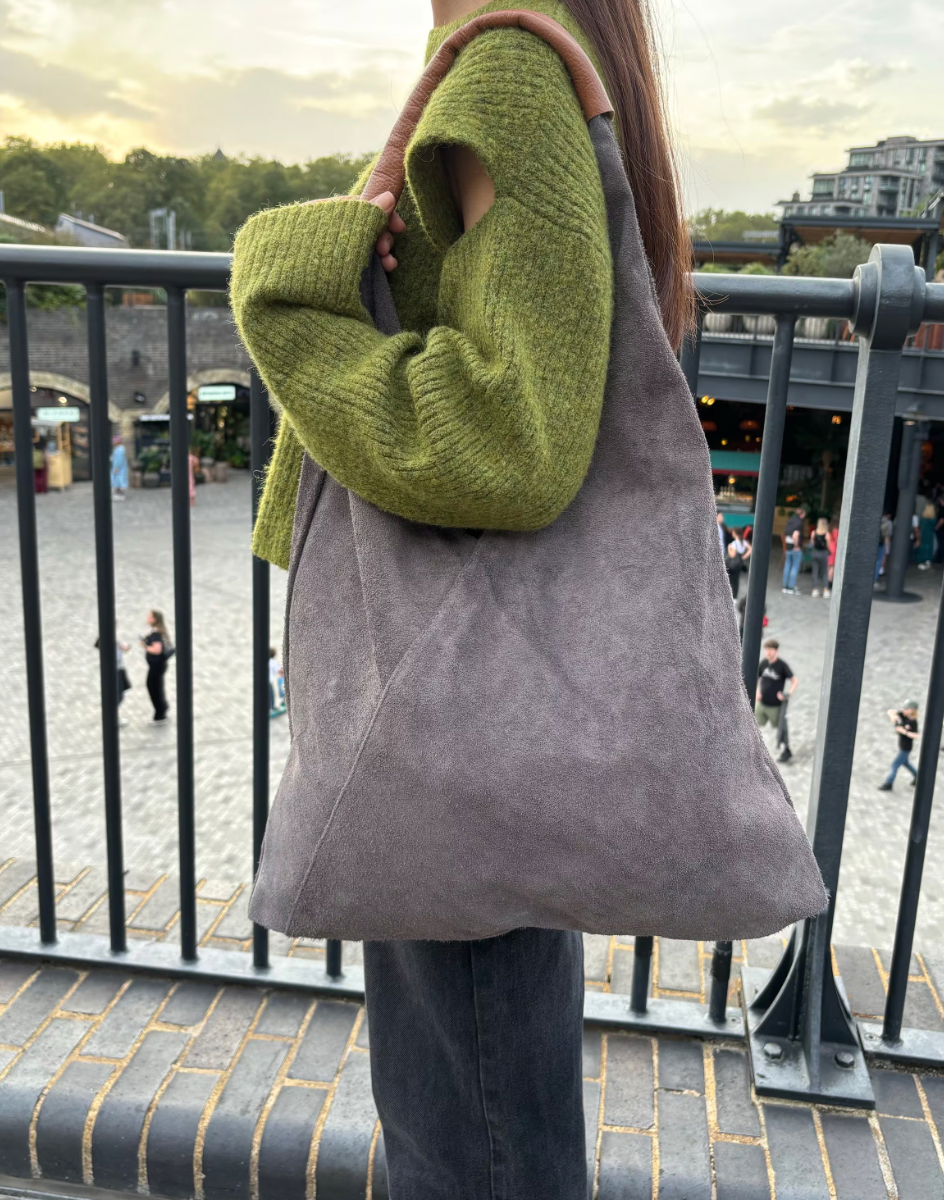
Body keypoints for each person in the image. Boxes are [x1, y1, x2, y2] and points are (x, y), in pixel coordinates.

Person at [230, 0, 699, 1192]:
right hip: (485, 682)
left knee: (467, 1136)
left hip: (441, 685)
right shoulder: (525, 62)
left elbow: (501, 442)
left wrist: (288, 302)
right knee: (490, 1094)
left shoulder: (500, 74)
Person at [756, 639, 797, 764]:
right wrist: (758, 691)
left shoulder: (782, 666)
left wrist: (788, 694)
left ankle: (786, 750)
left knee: (781, 729)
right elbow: (757, 677)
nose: (768, 652)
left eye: (771, 650)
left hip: (775, 705)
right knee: (752, 723)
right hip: (762, 703)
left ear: (776, 651)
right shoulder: (763, 663)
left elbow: (794, 681)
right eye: (766, 650)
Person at [878, 701, 920, 791]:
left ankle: (888, 784)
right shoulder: (903, 715)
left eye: (906, 709)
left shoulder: (913, 721)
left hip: (906, 748)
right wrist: (893, 716)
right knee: (906, 763)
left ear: (912, 710)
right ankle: (918, 776)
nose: (904, 710)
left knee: (895, 765)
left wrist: (904, 731)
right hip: (902, 746)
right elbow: (890, 711)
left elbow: (916, 735)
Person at [141, 609, 173, 725]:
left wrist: (145, 646)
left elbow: (157, 650)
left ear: (155, 619)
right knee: (157, 687)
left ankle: (160, 715)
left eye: (149, 616)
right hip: (159, 665)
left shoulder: (156, 634)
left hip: (156, 665)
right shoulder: (159, 631)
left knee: (153, 688)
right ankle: (163, 707)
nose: (147, 618)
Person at [782, 507, 805, 594]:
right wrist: (797, 545)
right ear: (801, 514)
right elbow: (796, 535)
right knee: (794, 567)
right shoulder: (799, 523)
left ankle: (785, 586)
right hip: (795, 547)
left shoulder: (790, 521)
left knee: (787, 566)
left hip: (788, 546)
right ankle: (791, 587)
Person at [726, 528, 750, 598]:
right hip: (739, 563)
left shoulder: (734, 544)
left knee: (731, 580)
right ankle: (735, 596)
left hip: (733, 564)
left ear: (735, 534)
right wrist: (744, 556)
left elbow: (732, 555)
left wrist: (729, 548)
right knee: (736, 580)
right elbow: (750, 548)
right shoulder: (744, 542)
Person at [809, 517, 830, 597]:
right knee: (824, 572)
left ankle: (815, 590)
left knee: (815, 571)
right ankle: (825, 590)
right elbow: (828, 545)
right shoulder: (827, 534)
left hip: (815, 552)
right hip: (823, 553)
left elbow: (812, 543)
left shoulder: (813, 533)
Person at [875, 512, 893, 586]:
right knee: (878, 561)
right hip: (881, 543)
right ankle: (875, 579)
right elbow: (887, 537)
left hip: (874, 542)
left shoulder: (876, 519)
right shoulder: (888, 523)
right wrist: (887, 549)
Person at [918, 500, 935, 570]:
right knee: (929, 546)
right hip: (930, 534)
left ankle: (921, 560)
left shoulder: (922, 518)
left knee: (923, 546)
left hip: (923, 533)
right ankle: (928, 560)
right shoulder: (933, 519)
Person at [110, 436, 128, 501]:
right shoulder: (118, 448)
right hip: (118, 467)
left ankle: (120, 493)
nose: (113, 442)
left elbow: (119, 459)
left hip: (119, 468)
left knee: (119, 480)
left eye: (114, 441)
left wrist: (117, 467)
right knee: (117, 479)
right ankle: (118, 492)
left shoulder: (120, 449)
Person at [269, 647, 285, 716]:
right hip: (269, 681)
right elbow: (279, 670)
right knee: (271, 695)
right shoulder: (273, 662)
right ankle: (272, 708)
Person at [826, 518, 839, 597]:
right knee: (832, 567)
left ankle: (827, 580)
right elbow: (837, 540)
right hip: (834, 548)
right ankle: (829, 582)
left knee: (828, 566)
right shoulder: (835, 530)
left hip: (828, 548)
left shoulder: (829, 529)